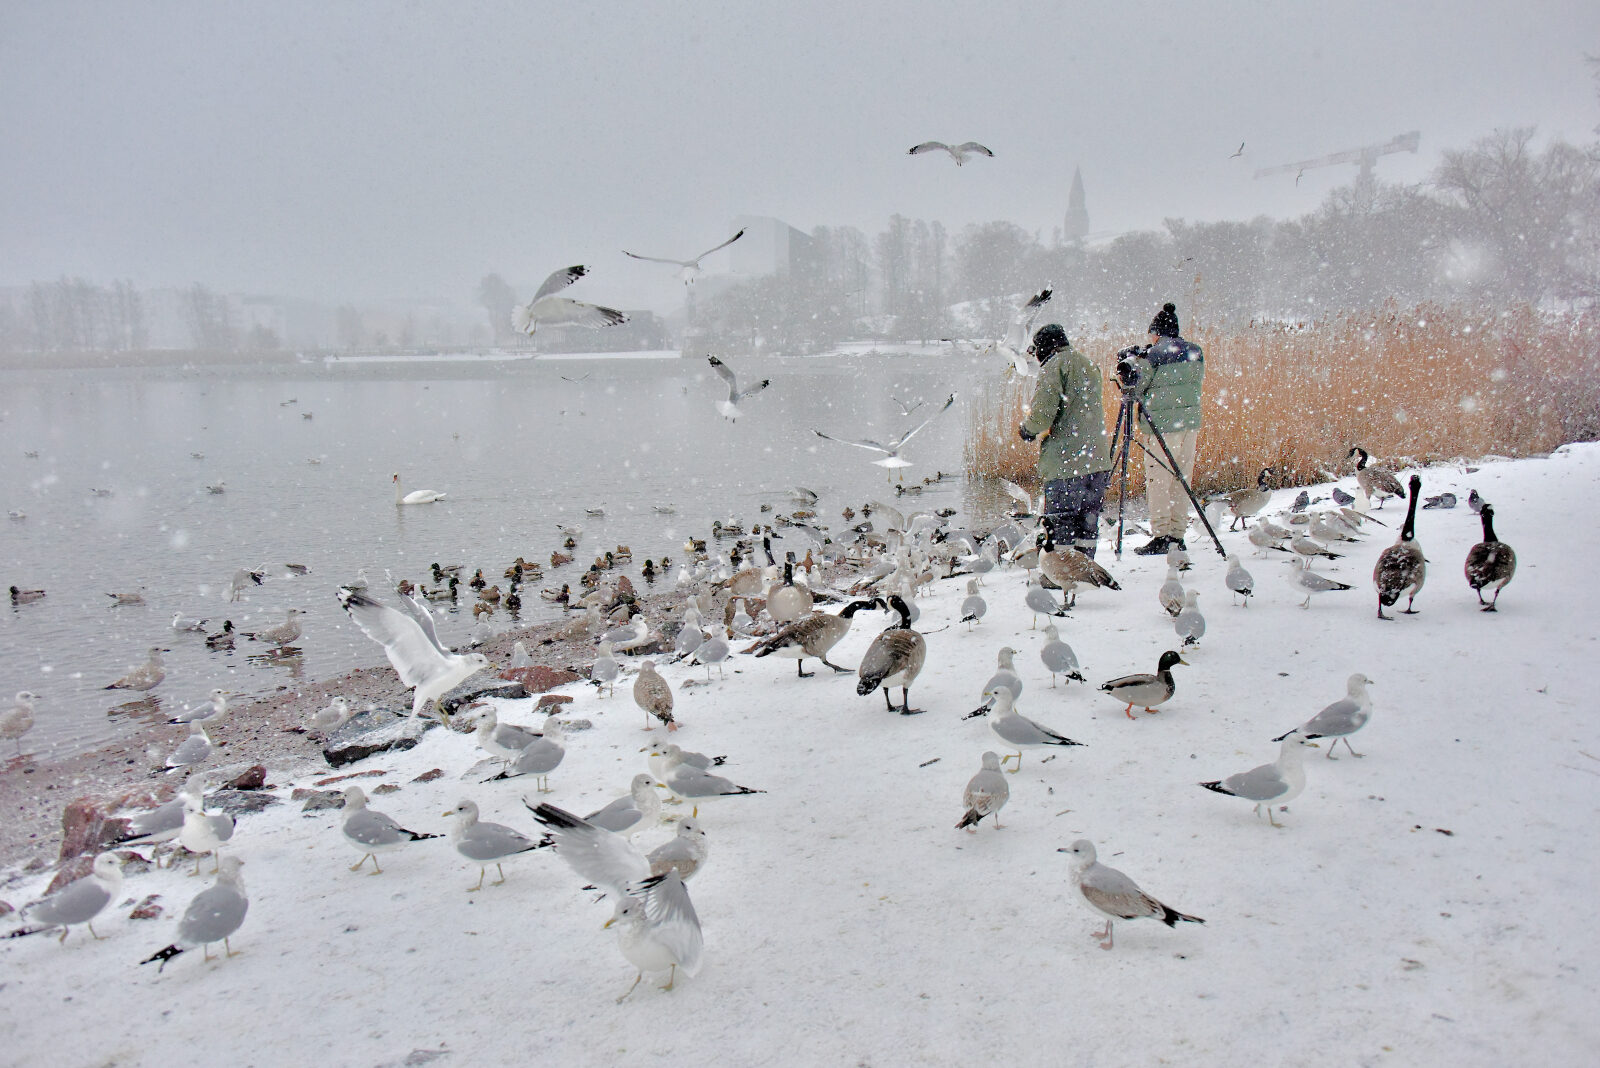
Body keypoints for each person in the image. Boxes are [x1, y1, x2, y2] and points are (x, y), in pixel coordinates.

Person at [1017, 324, 1112, 558]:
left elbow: (1042, 414)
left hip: (1067, 463)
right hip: (1096, 460)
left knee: (1060, 527)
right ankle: (1085, 568)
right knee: (1088, 525)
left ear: (1045, 347)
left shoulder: (1054, 366)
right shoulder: (1089, 363)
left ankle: (1061, 572)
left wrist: (1027, 429)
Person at [1119, 302, 1205, 555]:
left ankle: (1161, 535)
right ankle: (1177, 535)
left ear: (1157, 332)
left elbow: (1135, 387)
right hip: (1189, 423)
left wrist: (1132, 364)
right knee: (1181, 478)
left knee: (1158, 480)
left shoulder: (1153, 356)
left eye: (1152, 335)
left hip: (1162, 427)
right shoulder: (1195, 351)